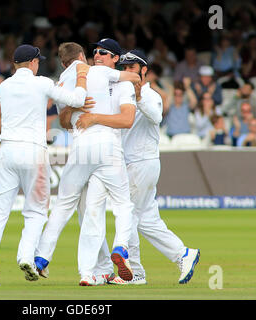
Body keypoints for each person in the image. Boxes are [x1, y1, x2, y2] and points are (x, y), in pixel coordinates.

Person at [75, 49, 200, 285]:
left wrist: (139, 96)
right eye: (124, 68)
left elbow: (156, 117)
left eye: (132, 68)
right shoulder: (122, 92)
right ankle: (183, 254)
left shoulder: (149, 94)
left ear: (144, 70)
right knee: (147, 219)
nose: (127, 72)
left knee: (129, 216)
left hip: (141, 162)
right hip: (134, 163)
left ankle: (137, 272)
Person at [0, 44, 90, 287]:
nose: (38, 64)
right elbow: (78, 99)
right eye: (37, 61)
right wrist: (81, 76)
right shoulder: (41, 83)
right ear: (32, 62)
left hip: (7, 150)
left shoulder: (5, 86)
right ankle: (26, 256)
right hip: (33, 152)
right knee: (37, 211)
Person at [34, 39, 142, 285]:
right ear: (83, 55)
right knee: (123, 205)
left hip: (81, 148)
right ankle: (121, 247)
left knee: (68, 206)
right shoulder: (99, 71)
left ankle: (45, 259)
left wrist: (75, 109)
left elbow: (63, 121)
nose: (97, 55)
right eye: (94, 52)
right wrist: (135, 84)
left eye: (102, 52)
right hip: (108, 147)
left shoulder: (62, 82)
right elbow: (134, 79)